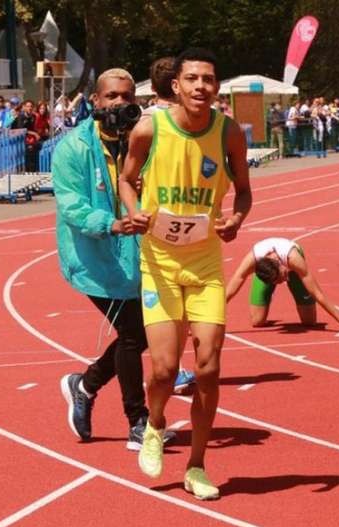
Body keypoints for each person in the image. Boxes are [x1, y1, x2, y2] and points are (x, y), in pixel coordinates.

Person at [118, 48, 252, 500]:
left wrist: (235, 220)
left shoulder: (229, 132)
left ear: (217, 87)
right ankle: (155, 423)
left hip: (206, 264)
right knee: (163, 367)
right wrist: (135, 212)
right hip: (159, 264)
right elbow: (125, 178)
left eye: (209, 80)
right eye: (192, 79)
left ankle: (197, 465)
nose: (201, 87)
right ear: (175, 84)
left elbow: (245, 193)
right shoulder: (149, 128)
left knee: (209, 367)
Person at [55, 68, 175, 456]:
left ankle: (86, 385)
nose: (120, 104)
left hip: (138, 256)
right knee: (131, 335)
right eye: (112, 97)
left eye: (127, 97)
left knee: (137, 335)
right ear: (95, 102)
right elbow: (71, 204)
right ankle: (137, 422)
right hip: (92, 259)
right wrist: (110, 223)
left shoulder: (143, 141)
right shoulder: (73, 148)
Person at [139, 56, 197, 393]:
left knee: (163, 302)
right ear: (175, 83)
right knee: (178, 303)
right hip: (174, 218)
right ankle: (169, 368)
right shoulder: (180, 120)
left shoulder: (144, 119)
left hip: (153, 218)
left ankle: (168, 367)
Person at [225, 237, 339, 333]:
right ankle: (267, 293)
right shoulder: (253, 260)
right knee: (257, 322)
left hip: (292, 267)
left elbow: (317, 293)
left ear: (281, 264)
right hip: (268, 269)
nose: (283, 282)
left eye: (282, 277)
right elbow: (233, 287)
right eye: (278, 281)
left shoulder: (294, 259)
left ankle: (284, 282)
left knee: (309, 322)